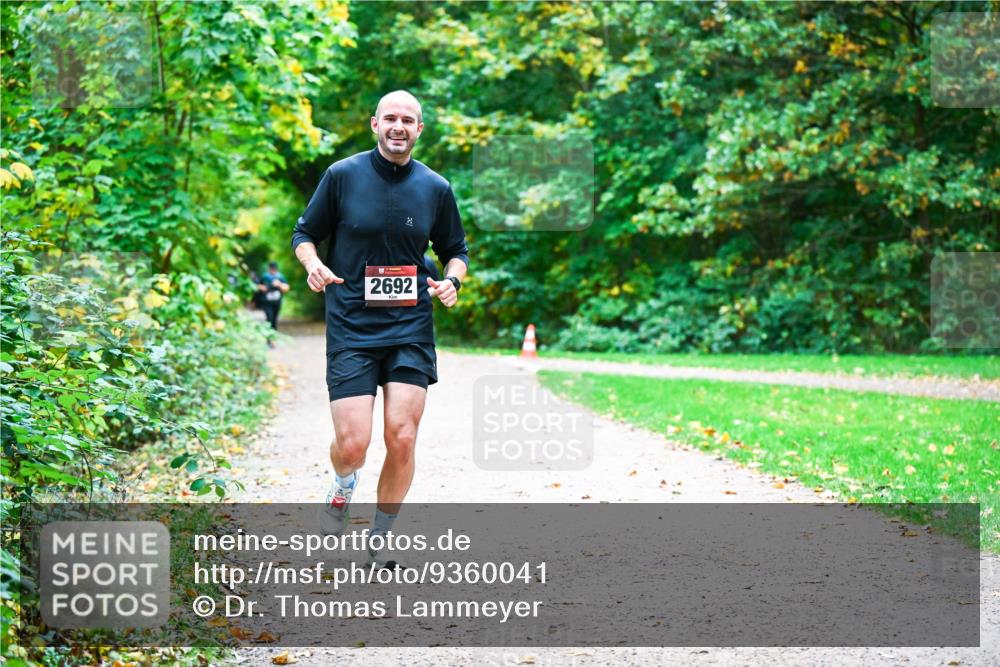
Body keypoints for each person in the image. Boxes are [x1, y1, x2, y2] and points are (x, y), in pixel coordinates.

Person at [290, 90, 468, 569]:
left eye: (408, 120)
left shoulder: (435, 187)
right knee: (353, 445)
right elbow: (304, 233)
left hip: (410, 324)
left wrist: (451, 280)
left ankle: (380, 539)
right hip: (351, 322)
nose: (398, 126)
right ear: (374, 124)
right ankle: (343, 485)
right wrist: (313, 264)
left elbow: (457, 250)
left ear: (419, 130)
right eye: (390, 118)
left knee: (402, 436)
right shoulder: (342, 176)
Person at [257, 262, 290, 333]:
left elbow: (287, 288)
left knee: (274, 319)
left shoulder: (280, 277)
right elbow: (258, 286)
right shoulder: (264, 276)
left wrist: (279, 284)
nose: (272, 270)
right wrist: (264, 288)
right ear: (268, 269)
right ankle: (269, 338)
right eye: (271, 269)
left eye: (274, 269)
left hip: (276, 302)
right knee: (269, 318)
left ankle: (273, 337)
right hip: (266, 302)